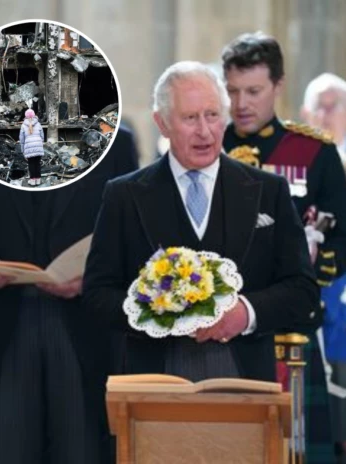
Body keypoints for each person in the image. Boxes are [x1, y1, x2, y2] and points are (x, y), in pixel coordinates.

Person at [84, 61, 318, 386]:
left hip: (245, 378)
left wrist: (246, 313)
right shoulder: (124, 195)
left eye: (212, 115)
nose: (205, 131)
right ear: (162, 123)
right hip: (154, 381)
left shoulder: (269, 190)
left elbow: (303, 289)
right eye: (190, 118)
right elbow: (97, 295)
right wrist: (155, 311)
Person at [0, 126, 138, 464]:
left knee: (80, 447)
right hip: (9, 321)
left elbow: (130, 236)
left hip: (84, 324)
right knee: (11, 447)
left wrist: (90, 280)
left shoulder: (115, 141)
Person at [221, 32, 346, 463]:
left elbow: (342, 237)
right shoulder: (210, 146)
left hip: (291, 329)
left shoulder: (314, 152)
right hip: (220, 329)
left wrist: (313, 266)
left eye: (253, 91)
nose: (241, 103)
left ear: (278, 85)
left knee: (297, 452)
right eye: (233, 91)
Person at [301, 72, 346, 460]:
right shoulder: (297, 164)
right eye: (320, 106)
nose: (326, 114)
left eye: (335, 106)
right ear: (305, 112)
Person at [19, 108, 45, 186]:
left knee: (31, 164)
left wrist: (23, 150)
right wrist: (40, 144)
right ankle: (38, 180)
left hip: (28, 147)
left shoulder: (23, 125)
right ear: (34, 115)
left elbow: (22, 139)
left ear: (25, 116)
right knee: (37, 163)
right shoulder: (38, 124)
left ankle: (33, 180)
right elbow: (42, 136)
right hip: (38, 146)